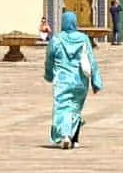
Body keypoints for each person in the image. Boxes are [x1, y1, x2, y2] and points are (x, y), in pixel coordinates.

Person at [44, 11, 103, 150]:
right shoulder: (83, 39)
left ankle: (65, 135)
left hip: (62, 81)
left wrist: (49, 75)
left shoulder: (56, 40)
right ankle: (72, 136)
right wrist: (96, 81)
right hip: (80, 82)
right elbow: (91, 61)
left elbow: (49, 60)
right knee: (75, 108)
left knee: (62, 108)